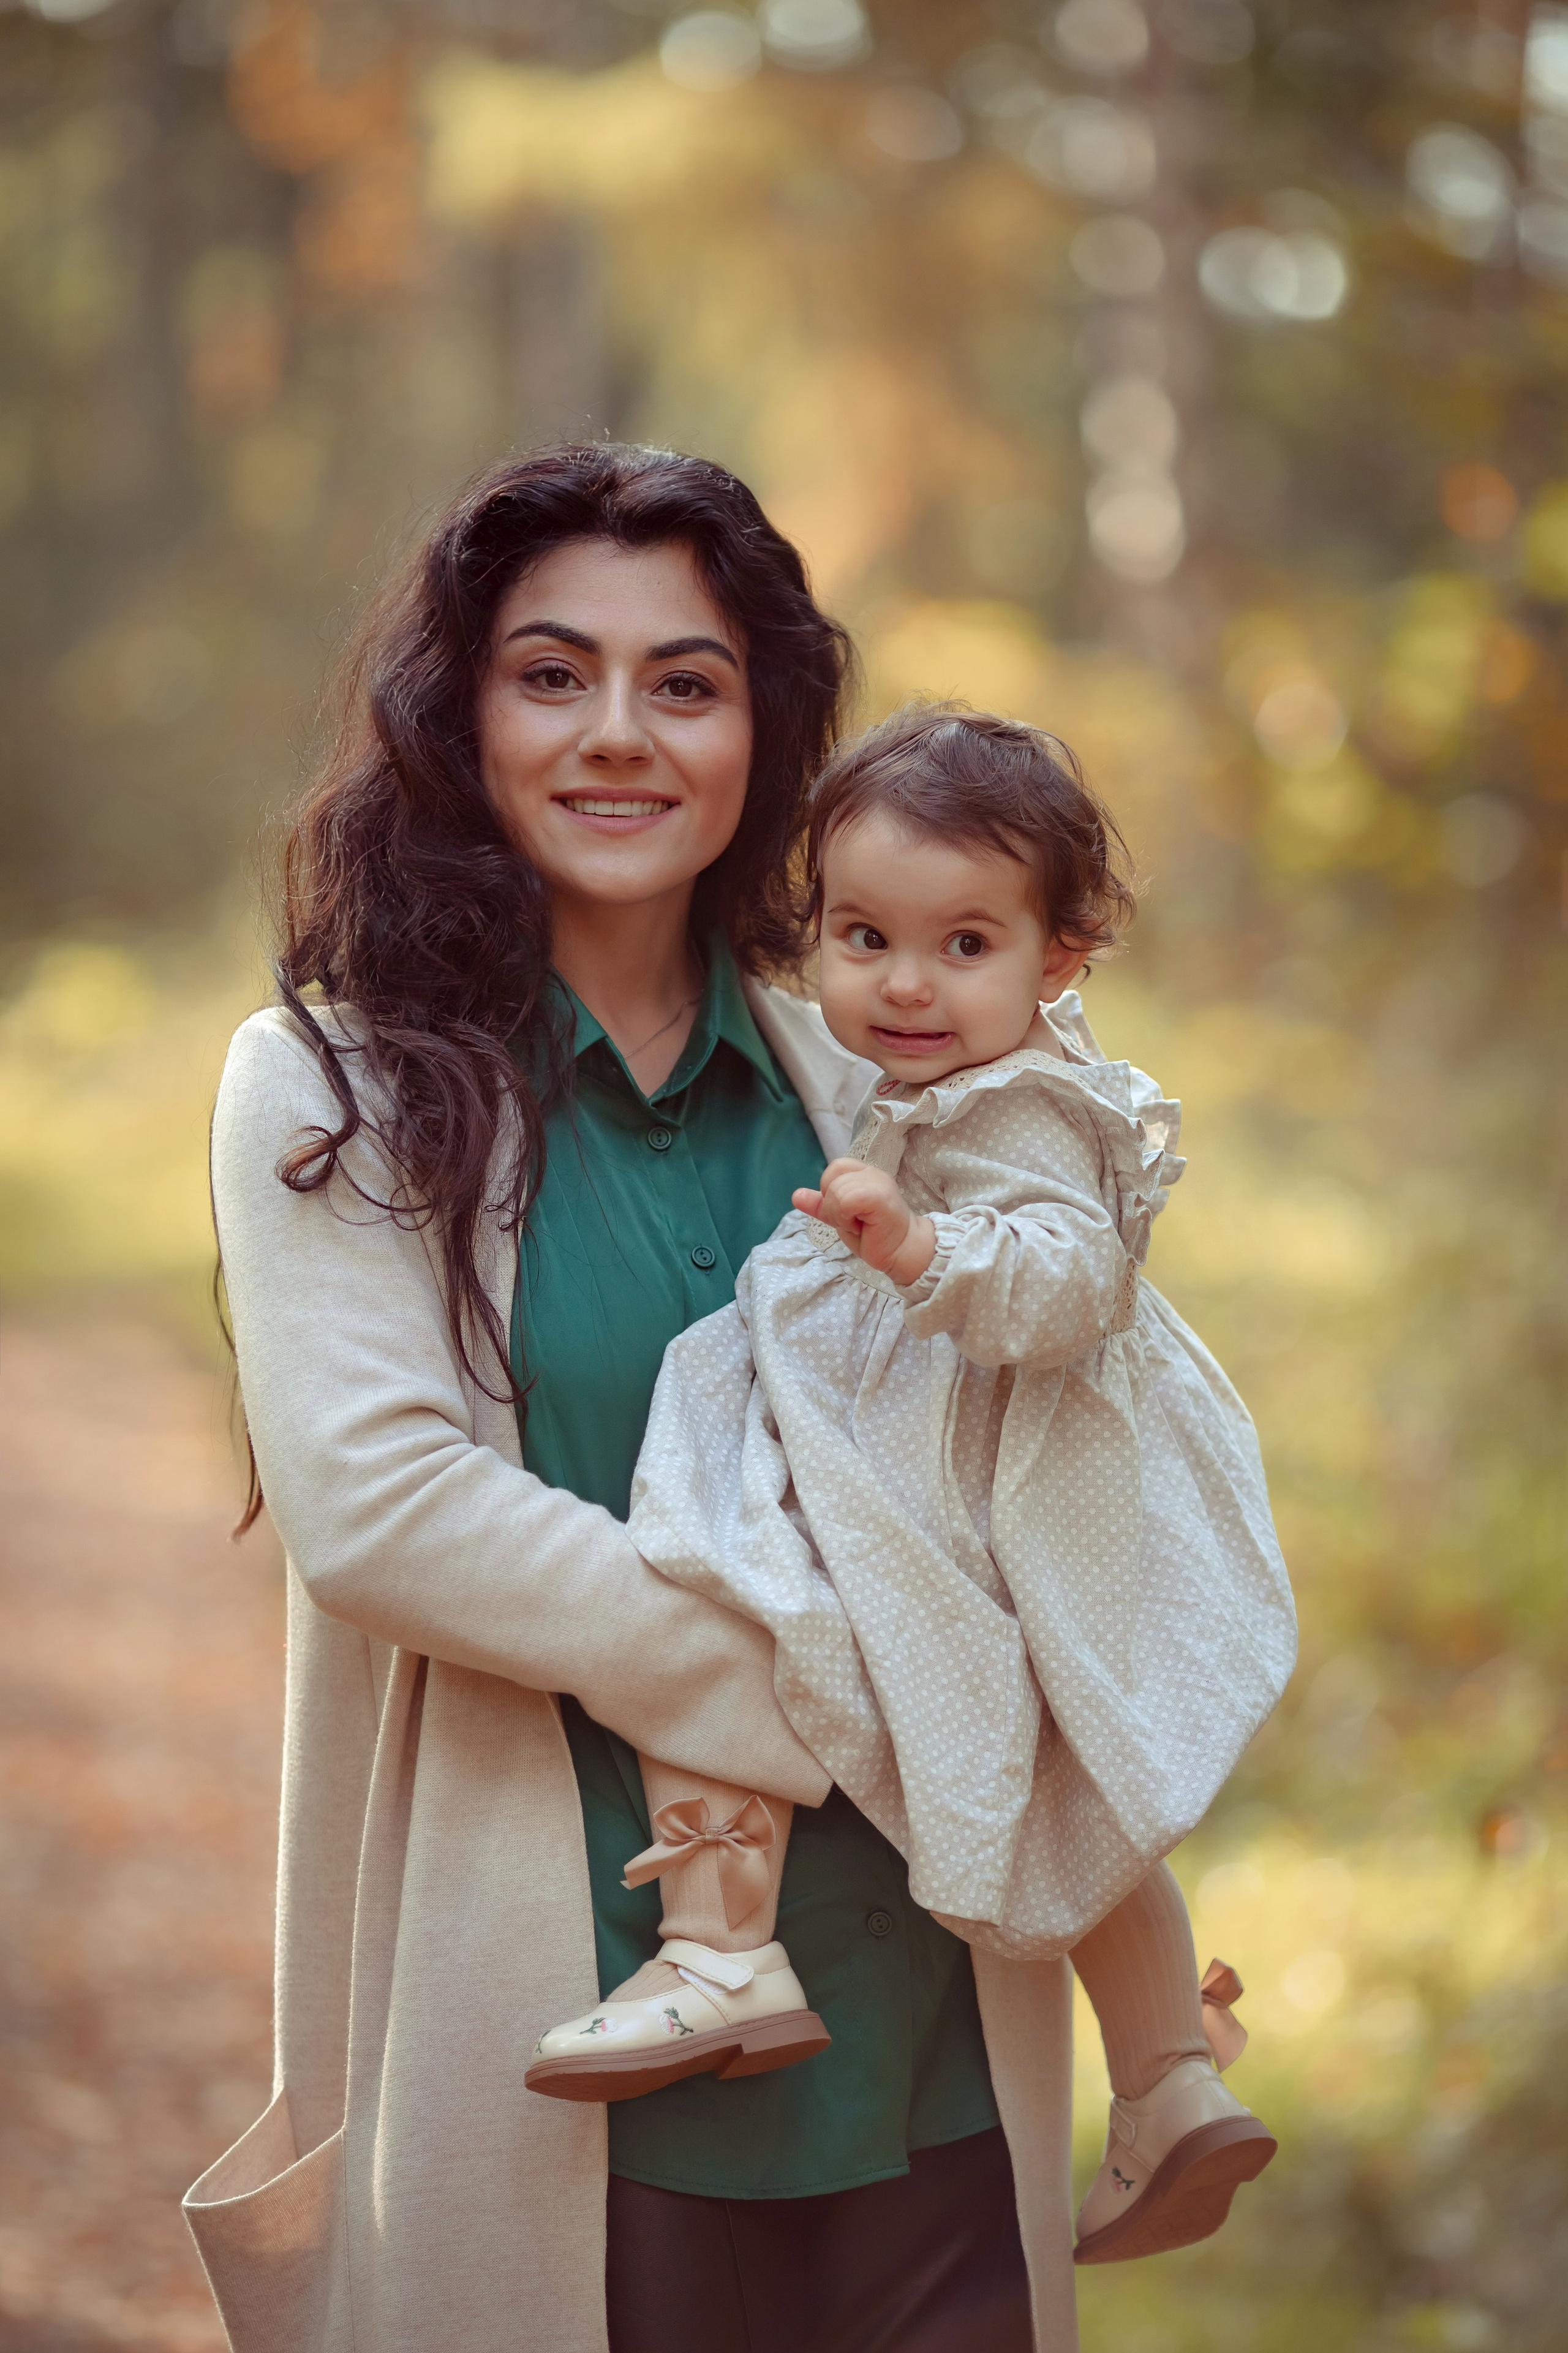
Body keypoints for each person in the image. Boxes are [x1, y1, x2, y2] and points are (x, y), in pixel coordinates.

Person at [189, 448, 1090, 2353]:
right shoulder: (334, 1090)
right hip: (563, 2049)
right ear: (464, 713)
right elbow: (381, 1510)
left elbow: (1036, 1465)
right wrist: (798, 1688)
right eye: (552, 674)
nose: (620, 735)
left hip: (924, 2045)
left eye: (684, 683)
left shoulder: (884, 1091)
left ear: (764, 731)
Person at [526, 705, 1296, 2266]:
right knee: (1054, 1771)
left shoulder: (1025, 1101)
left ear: (1061, 958)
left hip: (981, 1455)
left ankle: (720, 1937)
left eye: (962, 943)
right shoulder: (943, 1079)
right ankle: (1159, 2073)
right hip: (979, 1442)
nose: (903, 982)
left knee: (743, 1568)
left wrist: (923, 1248)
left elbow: (1069, 1274)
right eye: (864, 935)